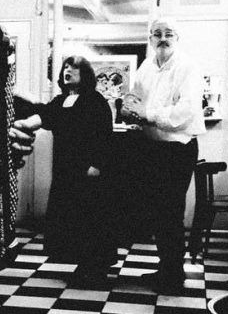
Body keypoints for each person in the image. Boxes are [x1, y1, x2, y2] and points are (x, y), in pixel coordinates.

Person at [123, 18, 205, 293]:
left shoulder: (188, 67)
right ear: (150, 39)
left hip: (177, 149)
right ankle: (165, 268)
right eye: (157, 34)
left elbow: (185, 112)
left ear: (177, 38)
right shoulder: (147, 66)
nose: (163, 38)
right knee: (158, 213)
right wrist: (128, 106)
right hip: (153, 148)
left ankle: (174, 276)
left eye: (169, 34)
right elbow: (135, 96)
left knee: (171, 212)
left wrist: (147, 114)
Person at [17, 56, 116, 282]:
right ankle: (83, 263)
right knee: (72, 216)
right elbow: (44, 116)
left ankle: (95, 266)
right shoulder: (61, 100)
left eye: (74, 67)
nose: (67, 70)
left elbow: (104, 135)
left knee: (90, 216)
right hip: (65, 168)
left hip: (88, 168)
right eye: (66, 67)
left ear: (85, 73)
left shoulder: (95, 100)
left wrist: (97, 164)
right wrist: (19, 124)